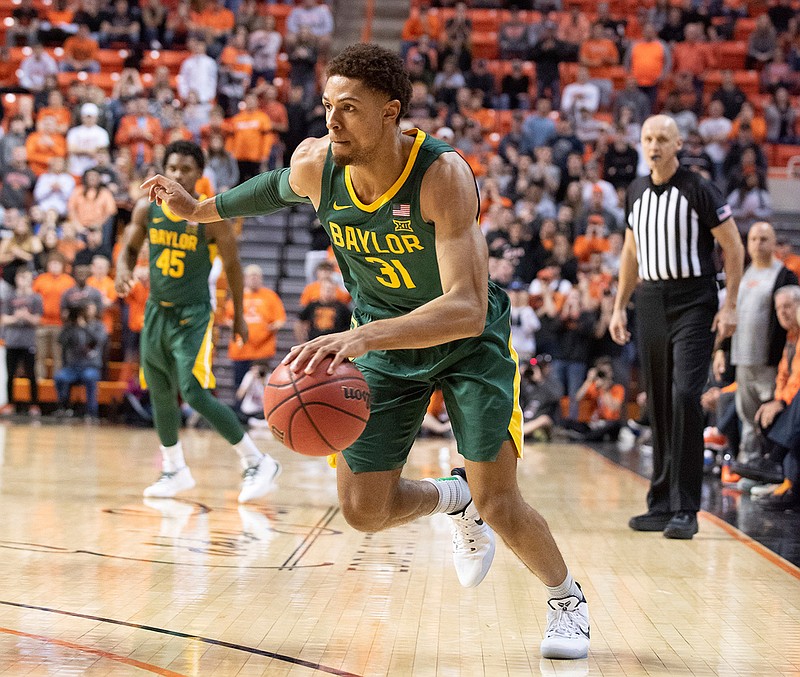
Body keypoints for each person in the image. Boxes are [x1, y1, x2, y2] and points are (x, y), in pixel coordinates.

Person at [141, 43, 591, 660]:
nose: (331, 120)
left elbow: (465, 304)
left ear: (391, 112)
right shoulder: (317, 166)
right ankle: (449, 497)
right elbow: (272, 187)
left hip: (466, 344)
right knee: (362, 510)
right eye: (328, 105)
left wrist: (364, 335)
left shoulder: (442, 175)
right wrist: (199, 210)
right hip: (383, 344)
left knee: (500, 499)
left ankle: (566, 598)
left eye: (348, 108)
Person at [115, 140, 280, 504]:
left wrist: (238, 315)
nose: (177, 175)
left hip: (193, 316)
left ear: (199, 175)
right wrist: (122, 271)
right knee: (158, 388)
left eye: (186, 169)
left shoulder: (209, 215)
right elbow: (128, 248)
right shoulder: (147, 208)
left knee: (192, 390)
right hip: (158, 310)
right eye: (171, 168)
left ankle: (258, 461)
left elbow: (234, 267)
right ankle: (174, 468)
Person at [610, 115, 745, 540]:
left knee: (686, 395)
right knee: (660, 401)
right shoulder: (635, 190)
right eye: (648, 138)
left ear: (678, 144)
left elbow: (734, 248)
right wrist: (618, 307)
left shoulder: (699, 189)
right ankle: (661, 501)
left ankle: (687, 507)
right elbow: (630, 255)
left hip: (694, 300)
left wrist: (731, 305)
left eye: (662, 139)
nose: (654, 145)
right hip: (650, 300)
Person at [224, 264, 286, 389]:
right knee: (240, 385)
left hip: (262, 349)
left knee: (262, 386)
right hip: (241, 349)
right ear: (245, 278)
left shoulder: (270, 296)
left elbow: (280, 319)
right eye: (251, 276)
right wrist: (234, 325)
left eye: (256, 276)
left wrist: (273, 327)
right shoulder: (238, 296)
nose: (254, 279)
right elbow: (227, 317)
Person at [0, 268, 43, 417]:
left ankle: (34, 404)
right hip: (12, 341)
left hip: (28, 341)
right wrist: (16, 317)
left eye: (26, 277)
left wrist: (27, 317)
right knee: (10, 374)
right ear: (17, 279)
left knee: (31, 373)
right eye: (21, 277)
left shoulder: (36, 298)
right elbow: (4, 319)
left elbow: (38, 320)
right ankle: (11, 403)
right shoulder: (10, 297)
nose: (23, 281)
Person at [53, 302, 106, 421]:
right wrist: (68, 324)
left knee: (90, 377)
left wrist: (84, 326)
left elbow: (99, 340)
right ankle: (63, 407)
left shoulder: (98, 325)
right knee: (60, 377)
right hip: (73, 367)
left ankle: (92, 412)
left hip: (90, 366)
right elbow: (61, 341)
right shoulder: (71, 326)